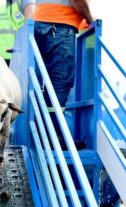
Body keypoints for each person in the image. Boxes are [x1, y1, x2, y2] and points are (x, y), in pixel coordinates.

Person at [33, 0, 94, 149]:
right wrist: (91, 20)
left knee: (50, 84)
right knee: (60, 82)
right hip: (58, 25)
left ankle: (50, 135)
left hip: (45, 23)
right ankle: (54, 138)